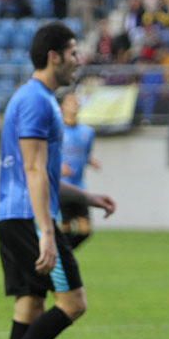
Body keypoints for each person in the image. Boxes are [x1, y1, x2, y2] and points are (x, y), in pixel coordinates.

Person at [0, 21, 116, 339]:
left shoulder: (33, 99)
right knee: (73, 303)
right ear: (54, 56)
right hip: (29, 217)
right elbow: (34, 170)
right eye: (74, 53)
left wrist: (86, 196)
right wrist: (46, 232)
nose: (78, 60)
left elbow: (45, 174)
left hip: (15, 214)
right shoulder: (38, 101)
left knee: (29, 305)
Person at [58, 90, 100, 249]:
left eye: (76, 101)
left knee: (85, 230)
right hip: (61, 188)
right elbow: (45, 156)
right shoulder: (56, 130)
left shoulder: (87, 132)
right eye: (71, 101)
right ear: (62, 106)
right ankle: (62, 259)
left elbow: (85, 154)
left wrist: (91, 162)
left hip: (79, 187)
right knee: (65, 229)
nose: (75, 104)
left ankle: (62, 256)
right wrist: (57, 167)